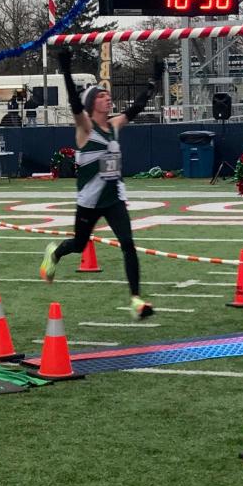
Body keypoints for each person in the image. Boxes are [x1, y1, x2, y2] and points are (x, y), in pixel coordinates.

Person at [39, 48, 161, 320]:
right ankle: (55, 252)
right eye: (102, 96)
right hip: (90, 201)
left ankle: (136, 300)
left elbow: (137, 108)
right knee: (80, 245)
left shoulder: (115, 125)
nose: (108, 100)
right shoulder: (85, 128)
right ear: (92, 103)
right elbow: (73, 103)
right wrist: (66, 69)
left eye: (108, 96)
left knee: (128, 244)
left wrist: (154, 81)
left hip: (114, 198)